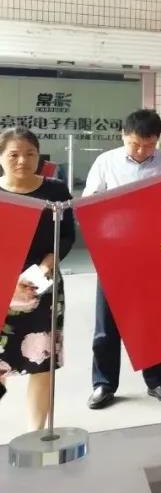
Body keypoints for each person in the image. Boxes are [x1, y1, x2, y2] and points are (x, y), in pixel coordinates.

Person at [84, 109, 161, 409]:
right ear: (124, 136)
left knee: (153, 320)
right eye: (135, 144)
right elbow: (89, 201)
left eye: (149, 145)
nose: (141, 151)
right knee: (107, 324)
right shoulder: (106, 162)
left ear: (158, 140)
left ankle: (157, 381)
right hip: (115, 253)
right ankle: (103, 384)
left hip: (154, 253)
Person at [0, 127, 75, 430]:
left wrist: (45, 266)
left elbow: (66, 235)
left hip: (42, 287)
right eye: (14, 154)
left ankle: (35, 433)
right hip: (2, 284)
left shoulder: (55, 191)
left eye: (30, 153)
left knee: (41, 363)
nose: (22, 160)